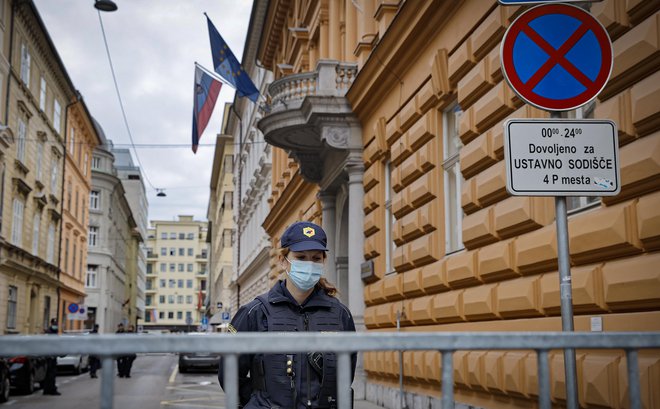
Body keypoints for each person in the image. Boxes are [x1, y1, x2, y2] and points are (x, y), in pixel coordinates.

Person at [218, 221, 357, 408]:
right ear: (283, 261)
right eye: (301, 257)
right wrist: (258, 403)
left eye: (316, 258)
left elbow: (345, 373)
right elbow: (229, 372)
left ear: (324, 261)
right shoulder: (255, 312)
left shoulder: (340, 314)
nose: (309, 264)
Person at [43, 319, 61, 396]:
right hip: (50, 356)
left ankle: (47, 389)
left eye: (56, 324)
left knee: (50, 374)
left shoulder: (53, 332)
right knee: (51, 374)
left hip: (52, 355)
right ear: (51, 323)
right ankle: (51, 389)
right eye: (54, 324)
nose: (55, 325)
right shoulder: (49, 333)